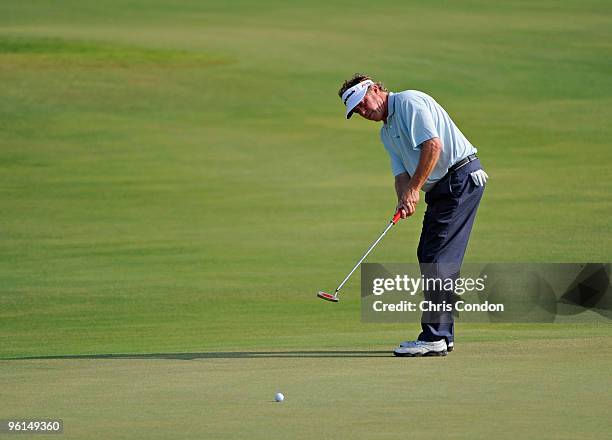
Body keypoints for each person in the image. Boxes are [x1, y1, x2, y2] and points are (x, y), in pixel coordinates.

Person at [338, 74, 488, 357]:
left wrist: (414, 189)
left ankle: (436, 337)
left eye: (362, 102)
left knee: (437, 258)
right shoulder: (386, 132)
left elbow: (433, 145)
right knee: (429, 255)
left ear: (376, 89)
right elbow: (401, 175)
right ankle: (443, 336)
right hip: (443, 189)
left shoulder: (407, 102)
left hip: (460, 179)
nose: (363, 111)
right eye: (356, 111)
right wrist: (403, 198)